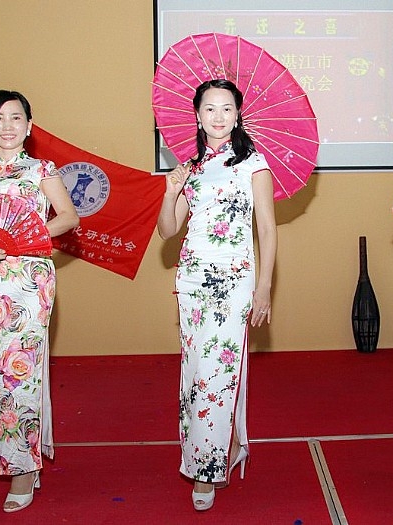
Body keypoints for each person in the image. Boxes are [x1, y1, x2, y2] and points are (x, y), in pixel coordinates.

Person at [156, 78, 277, 512]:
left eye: (227, 108)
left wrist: (264, 287)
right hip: (191, 279)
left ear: (238, 114)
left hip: (234, 279)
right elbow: (168, 231)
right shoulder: (189, 167)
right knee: (195, 371)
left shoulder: (253, 162)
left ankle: (207, 469)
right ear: (197, 115)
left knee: (218, 371)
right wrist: (171, 192)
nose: (219, 116)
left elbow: (267, 229)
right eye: (210, 108)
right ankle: (219, 448)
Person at [0, 90, 79, 512]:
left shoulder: (41, 170)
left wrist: (27, 236)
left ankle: (23, 472)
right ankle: (19, 457)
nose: (7, 125)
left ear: (29, 126)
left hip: (30, 282)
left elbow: (69, 216)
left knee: (20, 371)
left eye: (15, 118)